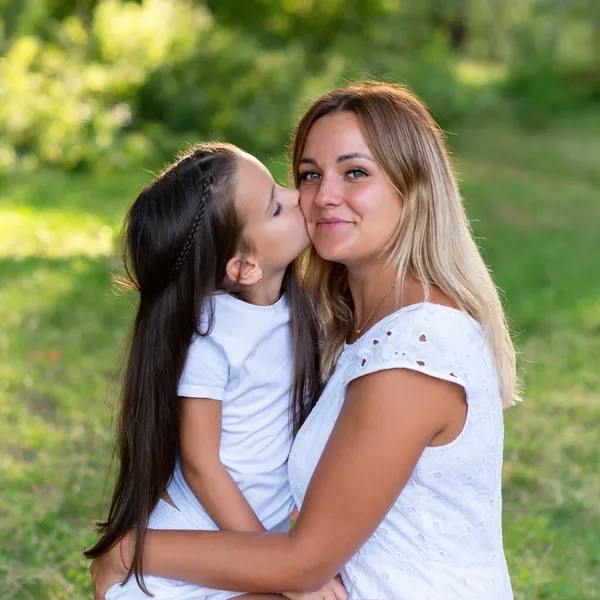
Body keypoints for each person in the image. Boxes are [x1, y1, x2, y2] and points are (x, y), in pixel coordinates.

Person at [91, 81, 518, 600]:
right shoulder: (348, 325)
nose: (319, 196)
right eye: (310, 174)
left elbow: (303, 563)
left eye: (355, 172)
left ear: (416, 188)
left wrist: (132, 551)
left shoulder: (415, 352)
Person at [84, 141, 347, 600]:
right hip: (175, 575)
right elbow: (202, 465)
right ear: (244, 266)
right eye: (275, 206)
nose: (295, 196)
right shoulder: (212, 337)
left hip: (237, 555)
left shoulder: (298, 308)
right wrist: (281, 565)